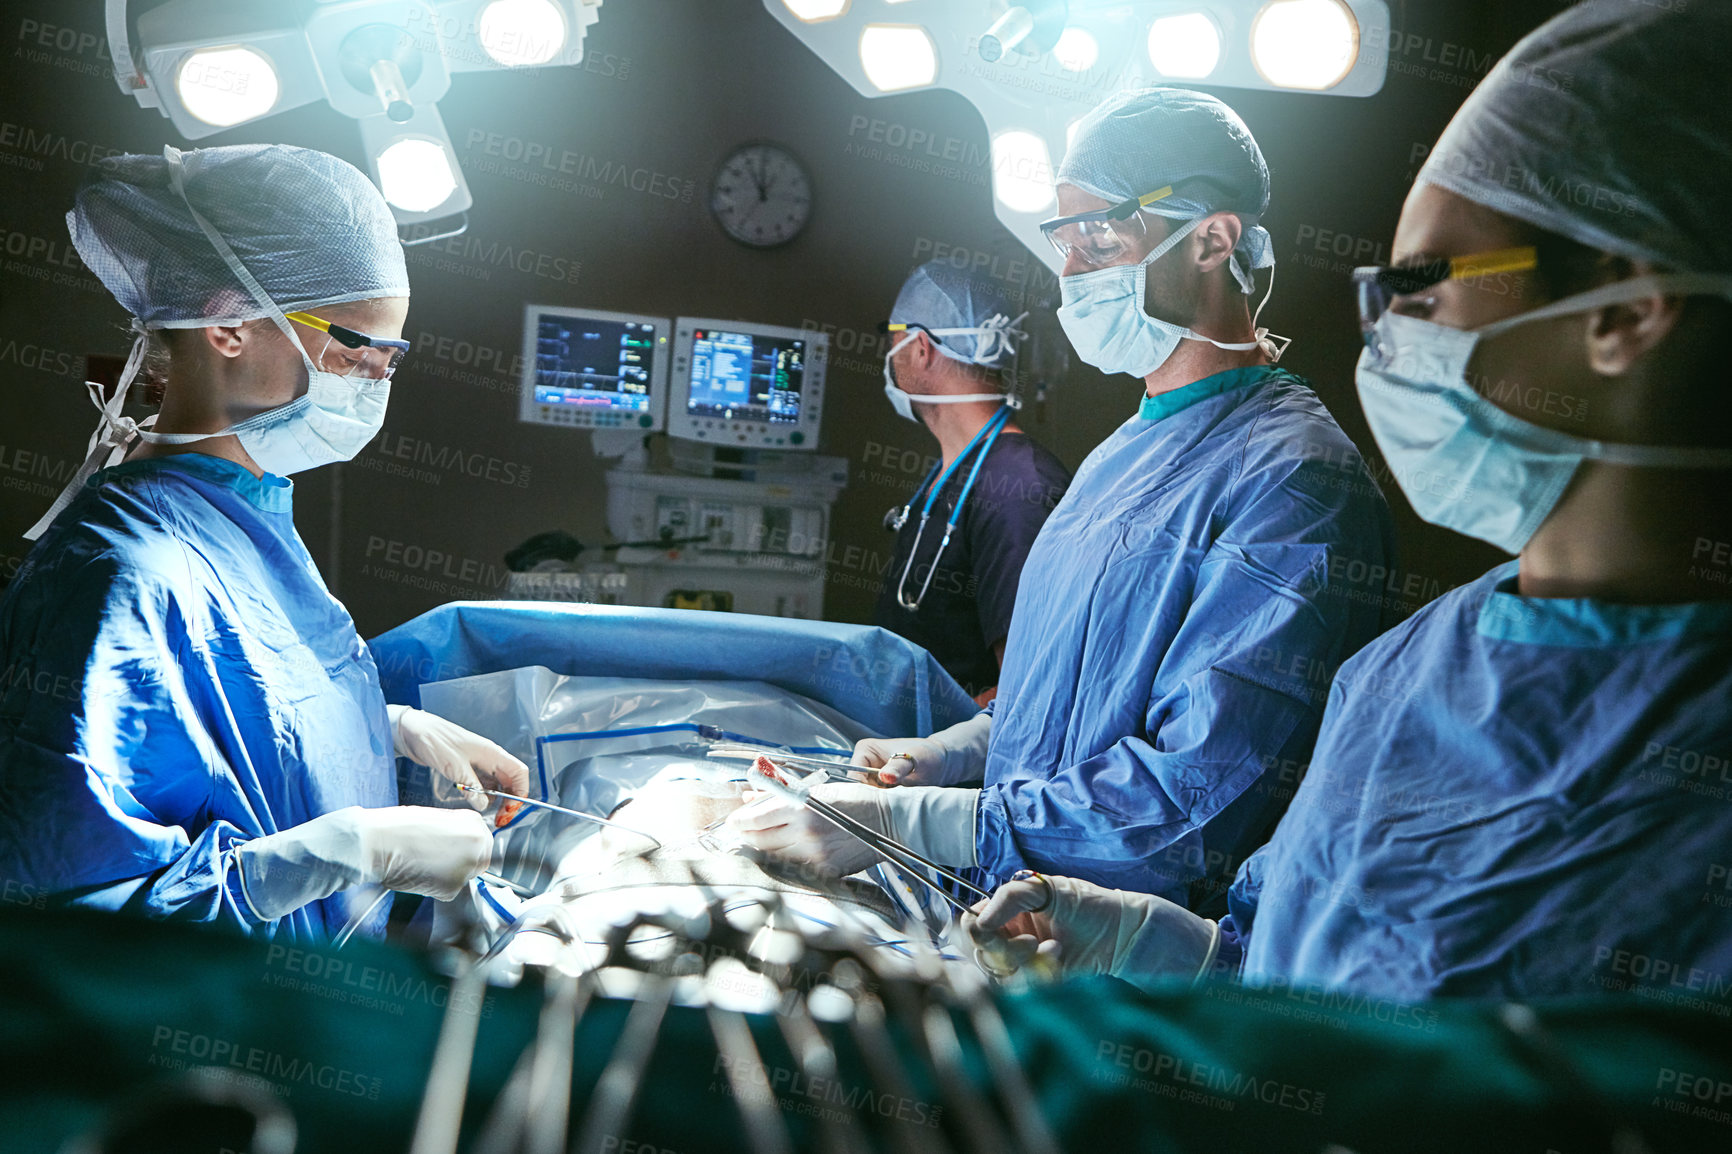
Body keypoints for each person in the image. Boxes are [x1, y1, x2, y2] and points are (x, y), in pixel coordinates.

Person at [964, 3, 1732, 1000]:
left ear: (1622, 314)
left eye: (1420, 285)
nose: (1384, 334)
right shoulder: (1400, 672)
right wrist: (1178, 949)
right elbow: (1289, 953)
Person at [734, 89, 1395, 913]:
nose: (1073, 273)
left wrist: (925, 825)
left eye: (1101, 240)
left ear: (1212, 241)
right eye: (1065, 243)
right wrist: (951, 754)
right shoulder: (1121, 455)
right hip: (1018, 911)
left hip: (1132, 965)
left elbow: (1194, 801)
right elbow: (1065, 686)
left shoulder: (1294, 483)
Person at [0, 144, 527, 941]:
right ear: (228, 325)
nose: (378, 375)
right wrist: (351, 850)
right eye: (355, 344)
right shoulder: (115, 572)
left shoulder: (245, 514)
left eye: (394, 353)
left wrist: (372, 730)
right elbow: (62, 919)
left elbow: (228, 714)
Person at [873, 259, 1072, 705]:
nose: (888, 355)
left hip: (950, 771)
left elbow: (1028, 687)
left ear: (920, 347)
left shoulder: (1018, 488)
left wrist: (935, 745)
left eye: (891, 338)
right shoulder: (951, 476)